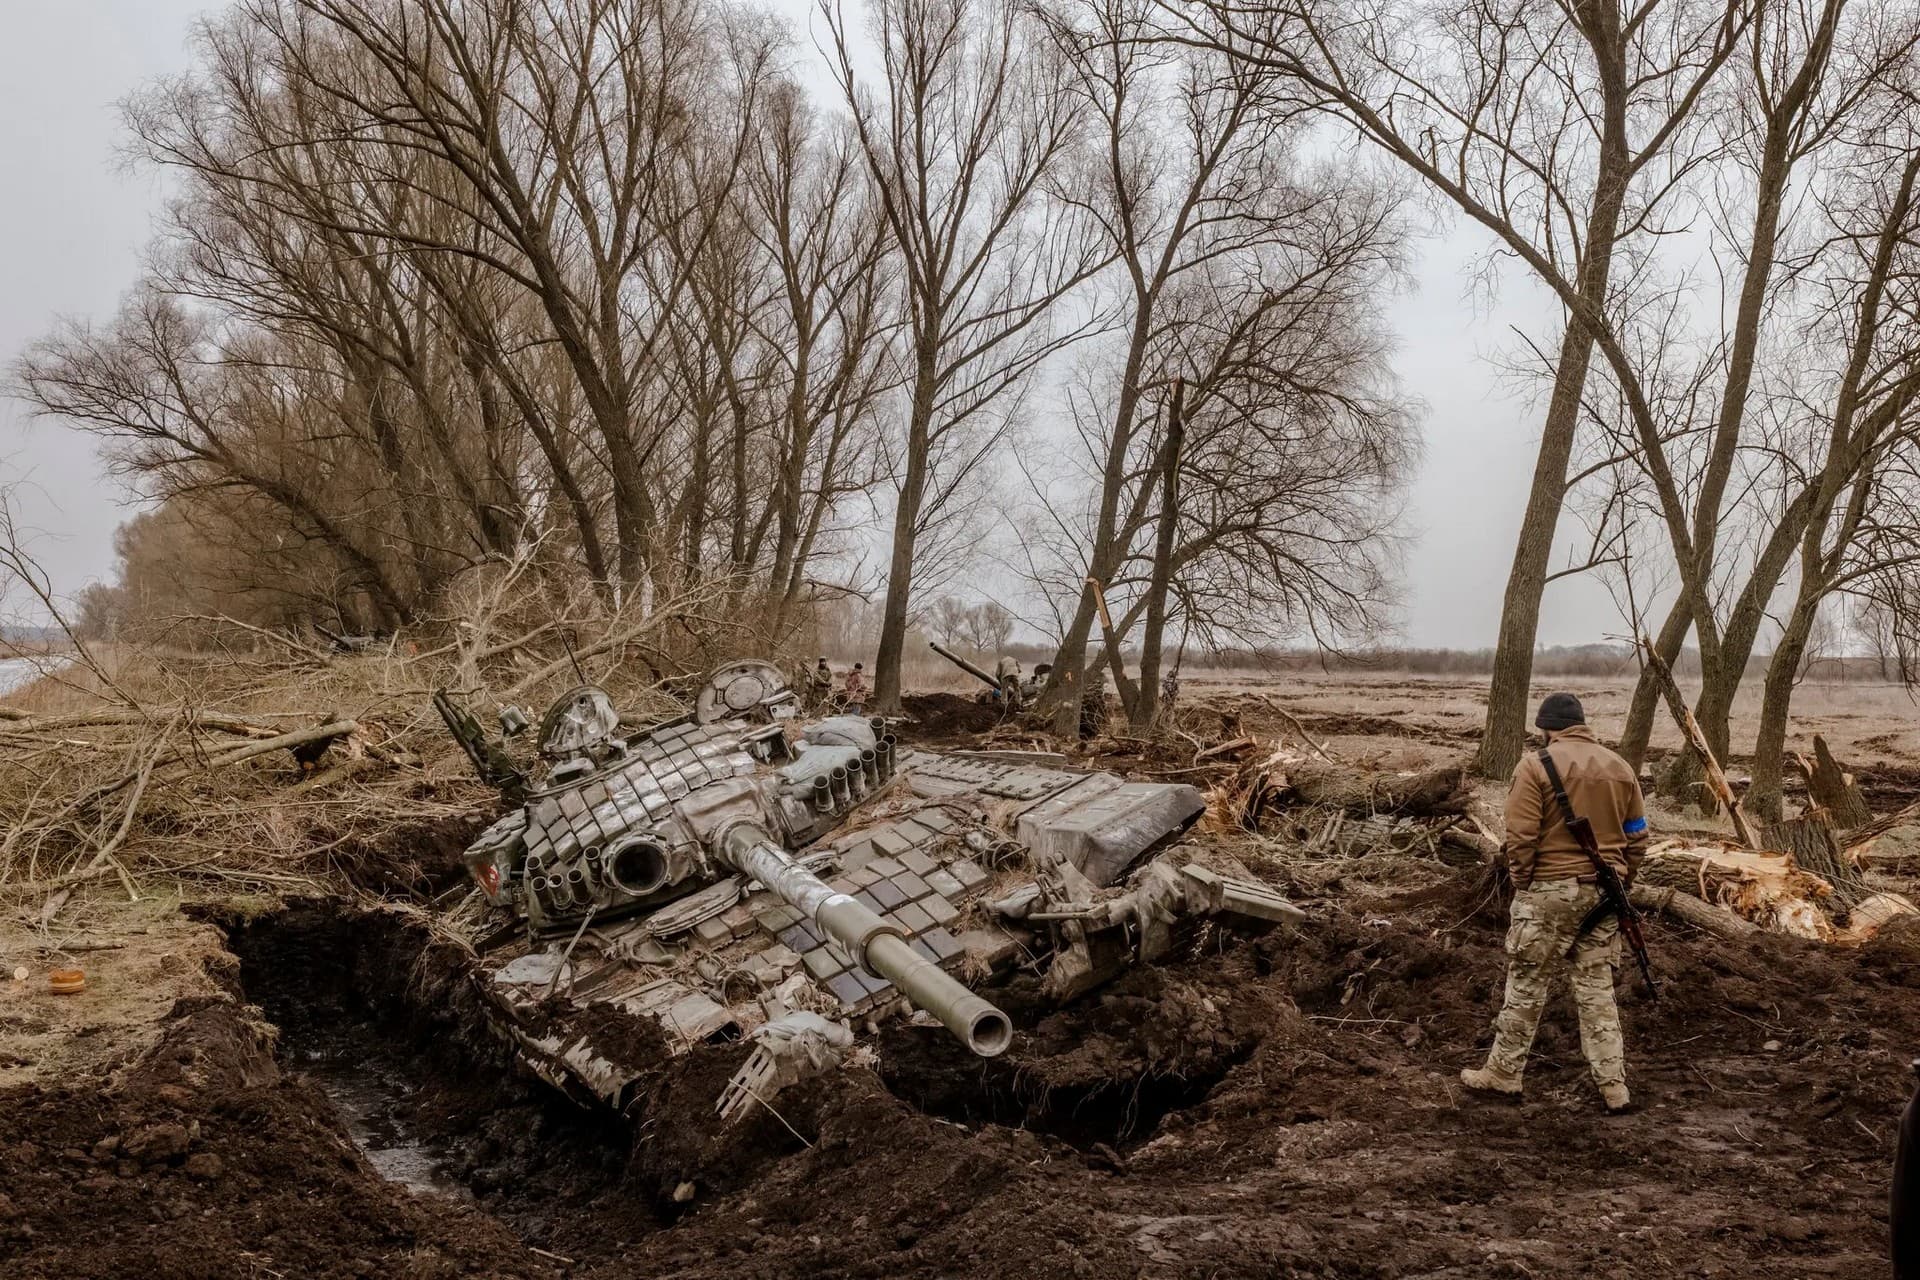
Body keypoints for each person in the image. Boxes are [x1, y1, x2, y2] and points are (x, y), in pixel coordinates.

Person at [1461, 691, 1650, 1112]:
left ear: (1547, 730)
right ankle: (1614, 1088)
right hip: (1605, 895)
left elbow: (1521, 836)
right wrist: (1623, 878)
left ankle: (1504, 1074)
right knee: (1597, 990)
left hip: (1548, 890)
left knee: (1527, 983)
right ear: (1581, 725)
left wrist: (1523, 882)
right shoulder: (1621, 768)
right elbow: (1637, 835)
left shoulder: (1534, 766)